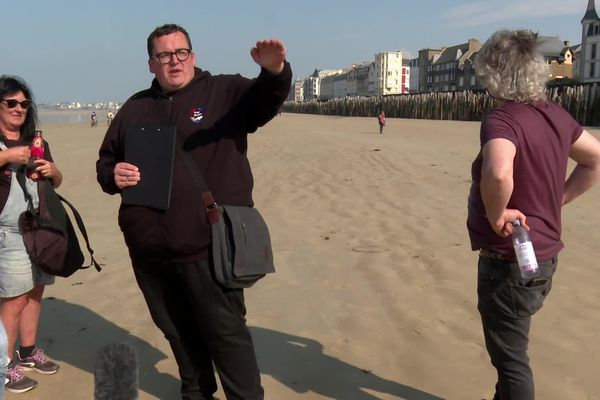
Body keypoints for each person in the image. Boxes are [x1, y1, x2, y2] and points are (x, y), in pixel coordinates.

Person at [96, 24, 291, 400]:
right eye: (164, 55)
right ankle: (196, 392)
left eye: (181, 52)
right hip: (150, 251)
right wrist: (112, 174)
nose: (174, 61)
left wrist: (274, 72)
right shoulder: (134, 108)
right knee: (178, 333)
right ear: (151, 63)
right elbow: (106, 162)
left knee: (227, 335)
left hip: (207, 245)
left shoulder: (224, 91)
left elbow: (265, 101)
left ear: (193, 55)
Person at [466, 30, 600, 400]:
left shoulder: (502, 119)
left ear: (492, 72)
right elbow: (595, 157)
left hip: (507, 262)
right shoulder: (554, 114)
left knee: (511, 359)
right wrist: (556, 201)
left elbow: (498, 170)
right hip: (543, 258)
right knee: (512, 349)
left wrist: (496, 214)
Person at [0, 75, 62, 394]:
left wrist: (53, 172)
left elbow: (56, 181)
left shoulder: (36, 140)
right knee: (13, 299)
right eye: (10, 102)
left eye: (24, 103)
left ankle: (27, 352)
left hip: (38, 228)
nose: (18, 108)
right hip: (7, 233)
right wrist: (8, 157)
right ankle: (4, 366)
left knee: (36, 290)